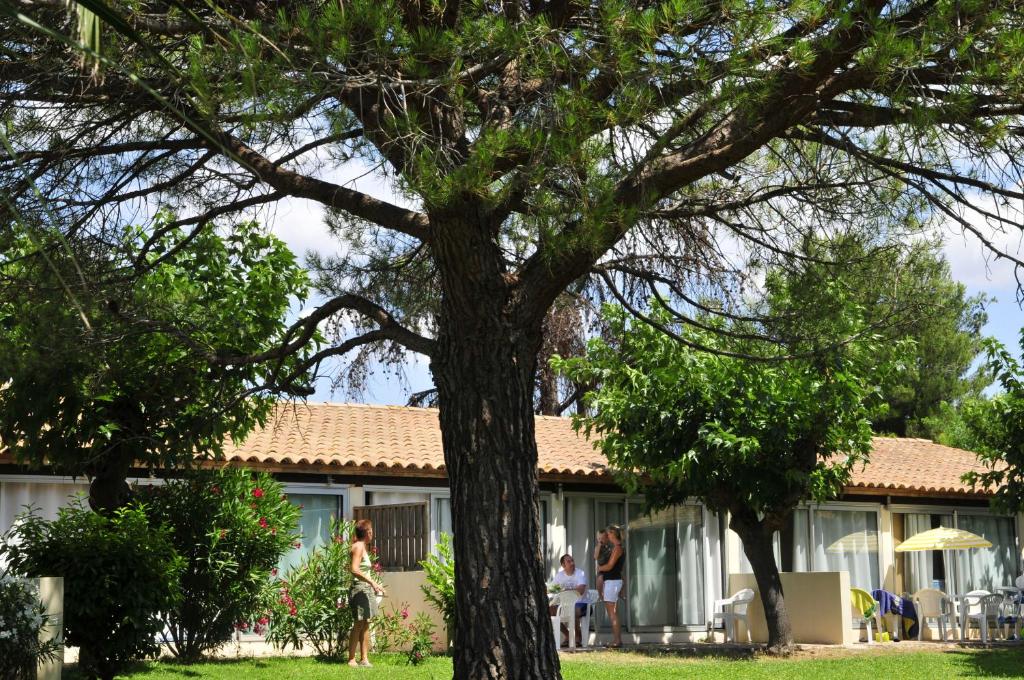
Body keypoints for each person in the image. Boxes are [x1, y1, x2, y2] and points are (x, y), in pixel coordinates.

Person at [348, 518, 386, 667]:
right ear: (368, 532)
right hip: (360, 589)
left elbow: (362, 571)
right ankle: (351, 659)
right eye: (371, 531)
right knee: (359, 624)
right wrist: (372, 582)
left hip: (365, 588)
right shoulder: (358, 546)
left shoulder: (361, 546)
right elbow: (354, 569)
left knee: (365, 624)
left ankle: (364, 659)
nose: (372, 534)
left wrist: (374, 585)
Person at [547, 554, 588, 646]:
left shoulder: (580, 573)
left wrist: (564, 590)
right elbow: (550, 589)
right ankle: (568, 635)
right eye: (569, 561)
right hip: (564, 605)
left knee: (574, 610)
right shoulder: (559, 576)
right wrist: (552, 589)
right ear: (563, 565)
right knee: (548, 611)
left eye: (572, 560)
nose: (572, 563)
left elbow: (581, 590)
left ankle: (578, 637)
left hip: (581, 604)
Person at [596, 524, 624, 648]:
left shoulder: (617, 548)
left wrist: (599, 568)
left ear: (613, 534)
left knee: (612, 612)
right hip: (612, 581)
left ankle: (617, 641)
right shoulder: (616, 547)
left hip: (612, 581)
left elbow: (610, 566)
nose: (607, 536)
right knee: (613, 612)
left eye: (608, 533)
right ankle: (617, 640)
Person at [593, 529, 612, 600]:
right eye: (599, 538)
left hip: (610, 568)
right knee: (600, 579)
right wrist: (599, 546)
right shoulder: (597, 548)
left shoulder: (610, 547)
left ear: (607, 538)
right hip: (601, 569)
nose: (601, 540)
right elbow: (595, 557)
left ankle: (622, 594)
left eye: (603, 538)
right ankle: (600, 595)